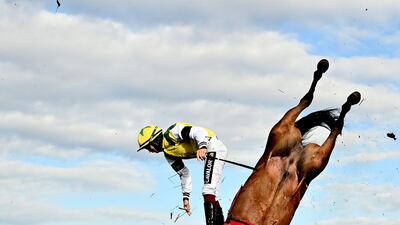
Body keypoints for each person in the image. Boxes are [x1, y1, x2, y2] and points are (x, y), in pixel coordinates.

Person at [137, 122, 227, 225]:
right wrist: (186, 197)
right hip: (210, 150)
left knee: (208, 189)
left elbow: (199, 131)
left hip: (213, 146)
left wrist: (202, 146)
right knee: (212, 192)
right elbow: (184, 173)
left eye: (148, 147)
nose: (149, 151)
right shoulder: (168, 155)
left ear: (155, 140)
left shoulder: (173, 132)